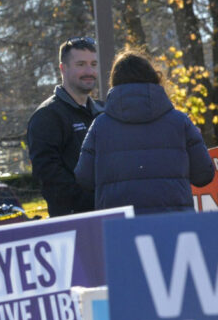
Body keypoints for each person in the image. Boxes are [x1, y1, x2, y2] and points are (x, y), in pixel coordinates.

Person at [75, 48, 214, 214]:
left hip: (119, 226)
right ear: (154, 77)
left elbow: (84, 178)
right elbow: (204, 175)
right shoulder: (180, 122)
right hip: (175, 224)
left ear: (114, 83)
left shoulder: (100, 126)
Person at [27, 37, 104, 217]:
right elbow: (49, 177)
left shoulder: (104, 112)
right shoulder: (46, 117)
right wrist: (95, 202)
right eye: (81, 64)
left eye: (93, 64)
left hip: (111, 217)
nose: (89, 71)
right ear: (63, 68)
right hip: (74, 223)